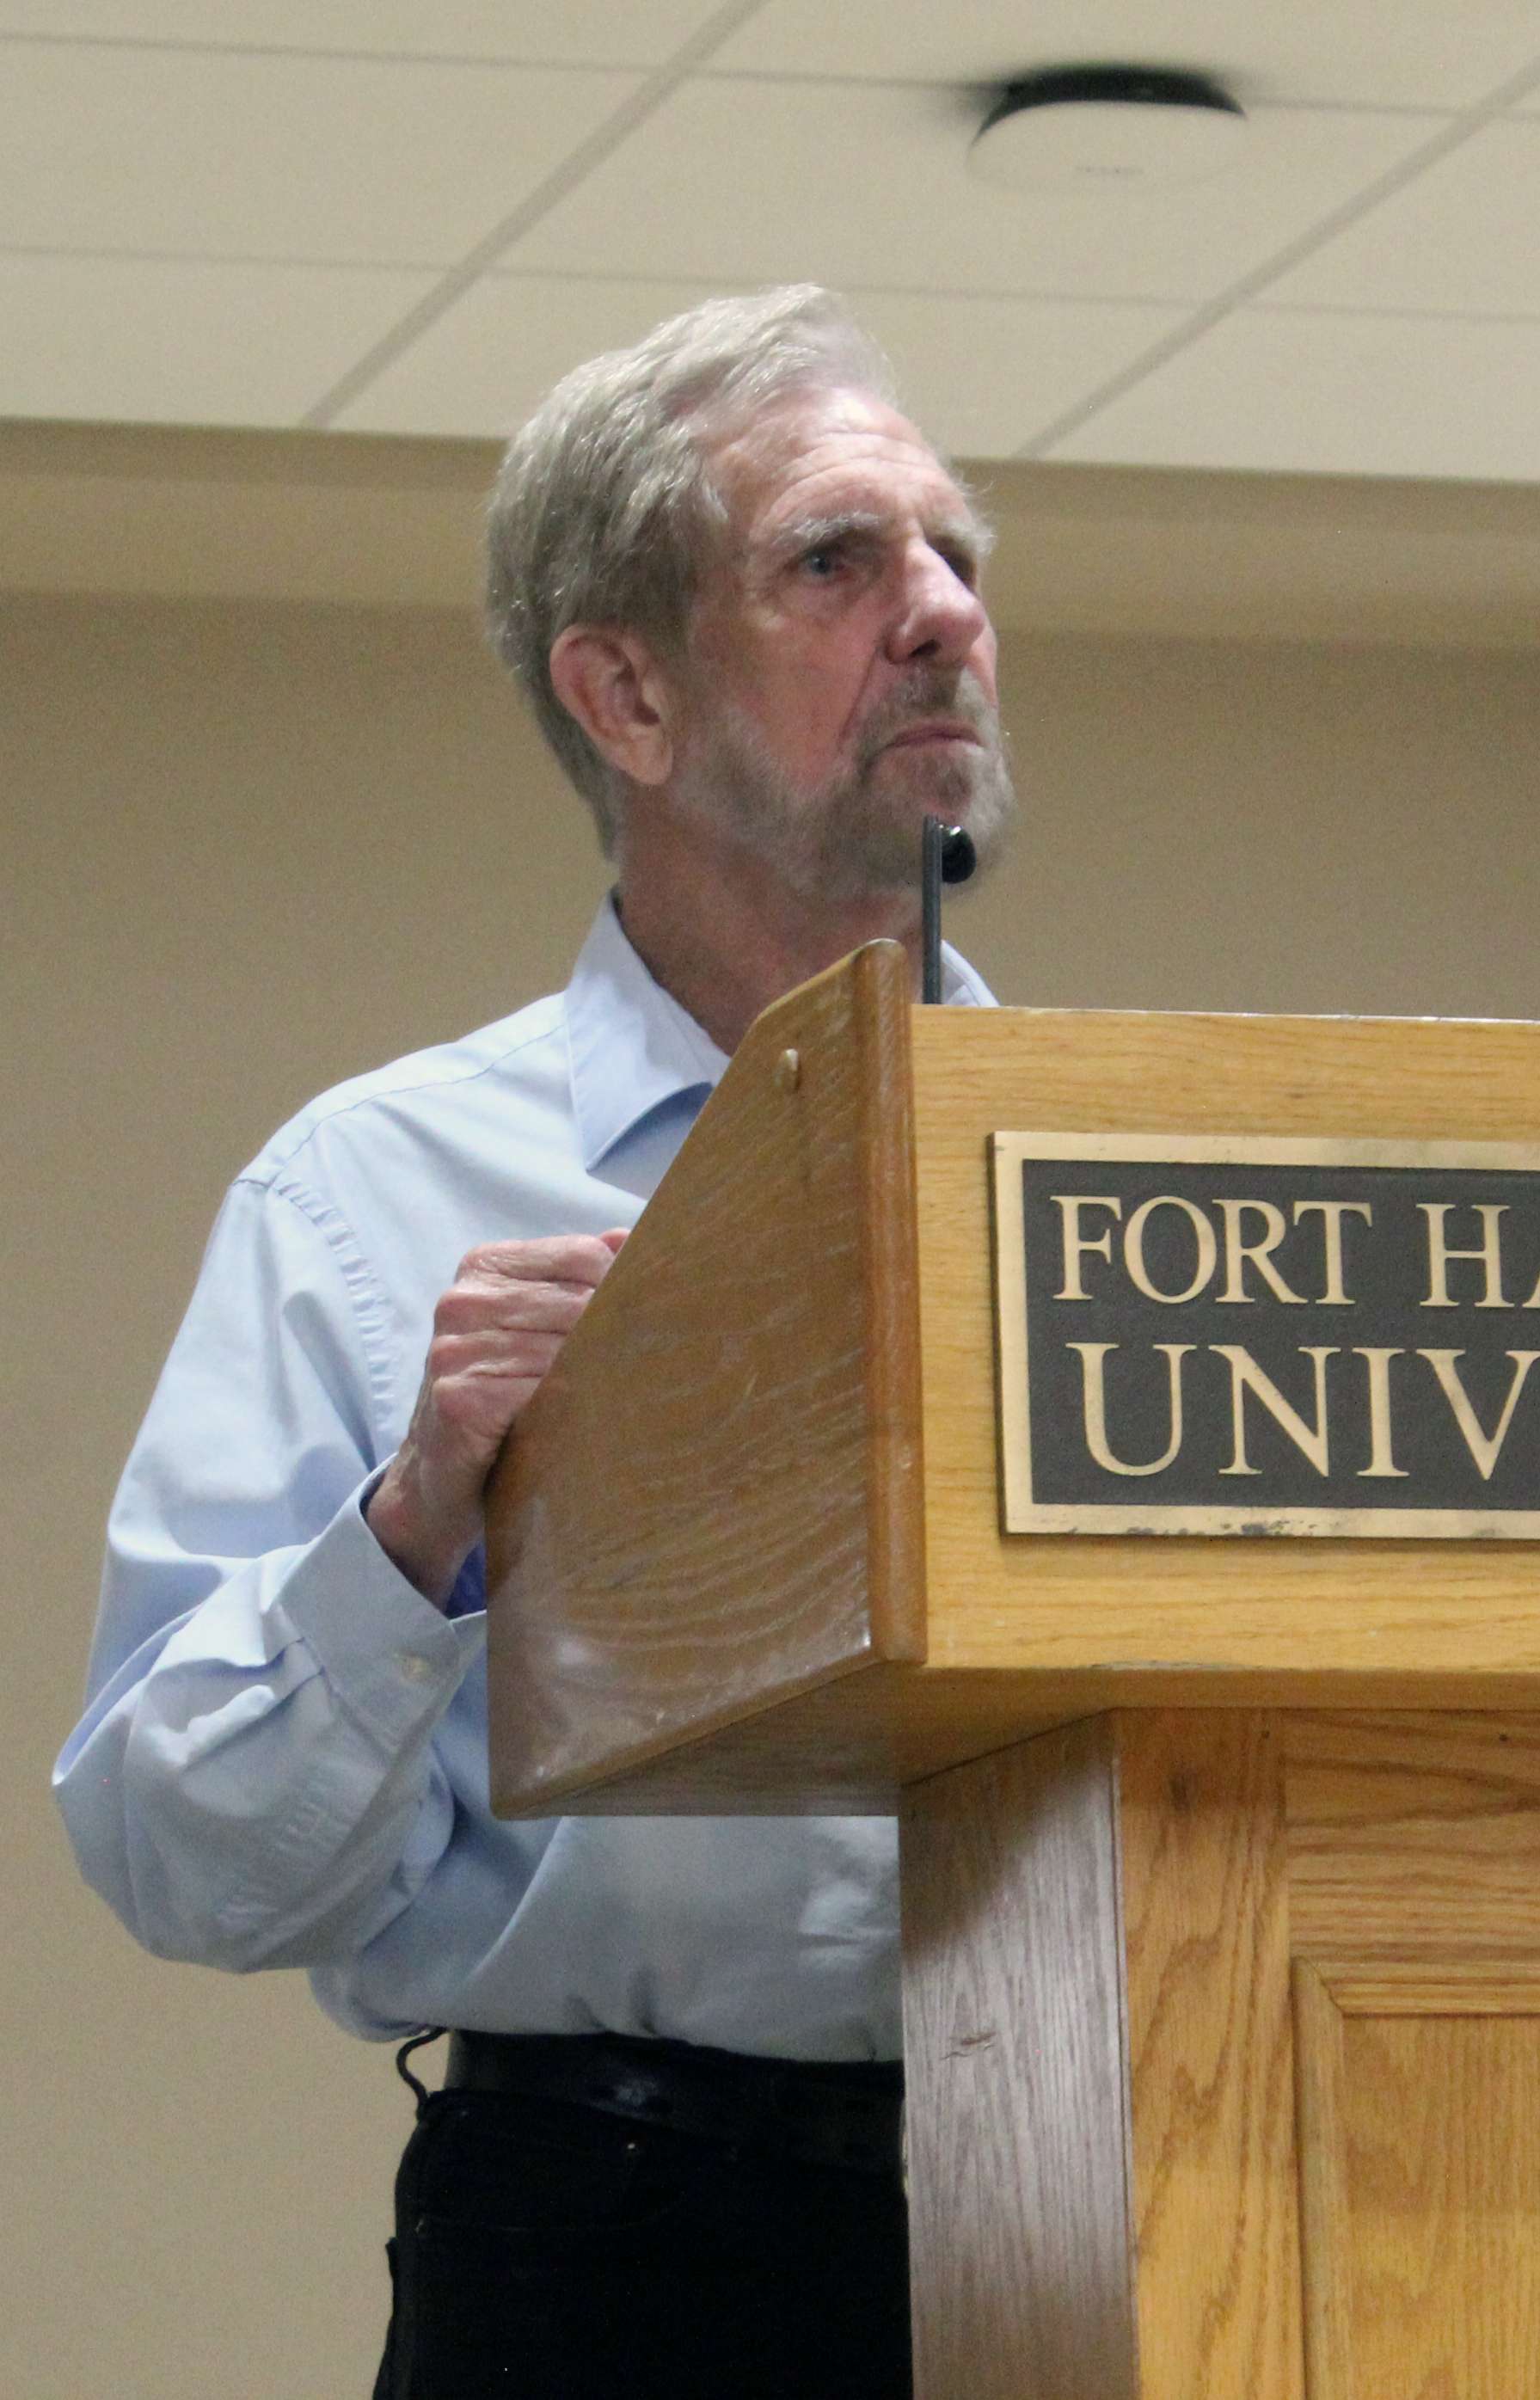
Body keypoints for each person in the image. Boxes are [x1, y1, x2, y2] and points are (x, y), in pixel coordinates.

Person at [52, 286, 1016, 2400]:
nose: (942, 610)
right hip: (613, 2244)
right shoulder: (371, 1195)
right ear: (626, 694)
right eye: (838, 562)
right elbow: (179, 1860)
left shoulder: (1117, 1178)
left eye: (957, 553)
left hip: (1109, 2204)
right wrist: (412, 1529)